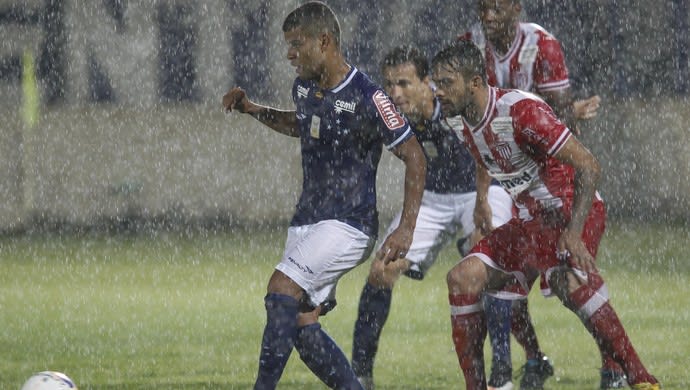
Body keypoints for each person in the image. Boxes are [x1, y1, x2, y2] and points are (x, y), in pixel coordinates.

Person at [431, 39, 660, 390]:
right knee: (462, 278)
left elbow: (589, 165)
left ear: (475, 82)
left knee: (566, 280)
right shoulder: (459, 121)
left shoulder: (518, 110)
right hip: (529, 221)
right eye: (435, 83)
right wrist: (483, 199)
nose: (439, 91)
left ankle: (640, 378)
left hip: (569, 208)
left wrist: (573, 231)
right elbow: (485, 153)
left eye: (446, 83)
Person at [221, 2, 427, 389]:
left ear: (325, 41)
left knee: (281, 289)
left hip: (349, 223)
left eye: (297, 44)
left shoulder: (369, 96)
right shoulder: (304, 87)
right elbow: (301, 125)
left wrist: (406, 228)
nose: (289, 54)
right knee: (299, 322)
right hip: (308, 220)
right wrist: (252, 109)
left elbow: (414, 155)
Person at [458, 1, 610, 388]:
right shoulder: (469, 44)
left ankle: (612, 362)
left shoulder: (542, 45)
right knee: (488, 266)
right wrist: (480, 196)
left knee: (567, 280)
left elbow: (558, 121)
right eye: (482, 6)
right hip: (500, 173)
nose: (488, 14)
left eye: (496, 6)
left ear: (516, 7)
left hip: (541, 175)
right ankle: (511, 368)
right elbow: (476, 124)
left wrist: (571, 116)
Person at [350, 45, 517, 390]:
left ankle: (501, 374)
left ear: (427, 83)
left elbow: (484, 146)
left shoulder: (454, 105)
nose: (395, 93)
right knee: (381, 271)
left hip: (481, 189)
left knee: (490, 264)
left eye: (404, 83)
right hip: (433, 199)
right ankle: (360, 375)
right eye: (389, 85)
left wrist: (482, 201)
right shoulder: (394, 116)